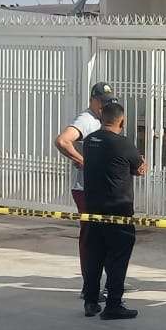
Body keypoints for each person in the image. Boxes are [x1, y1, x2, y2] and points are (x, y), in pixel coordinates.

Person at [81, 100, 147, 320]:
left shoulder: (90, 141)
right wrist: (139, 166)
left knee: (94, 256)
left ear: (102, 118)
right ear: (122, 120)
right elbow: (139, 167)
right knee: (118, 257)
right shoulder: (123, 143)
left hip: (92, 210)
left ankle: (91, 301)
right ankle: (113, 304)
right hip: (118, 210)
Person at [54, 82, 117, 314]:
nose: (105, 105)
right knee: (92, 237)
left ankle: (103, 285)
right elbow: (62, 140)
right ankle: (89, 286)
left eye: (108, 101)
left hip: (101, 188)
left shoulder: (102, 120)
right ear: (93, 100)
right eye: (102, 101)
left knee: (105, 235)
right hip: (86, 189)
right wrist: (83, 161)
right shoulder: (86, 120)